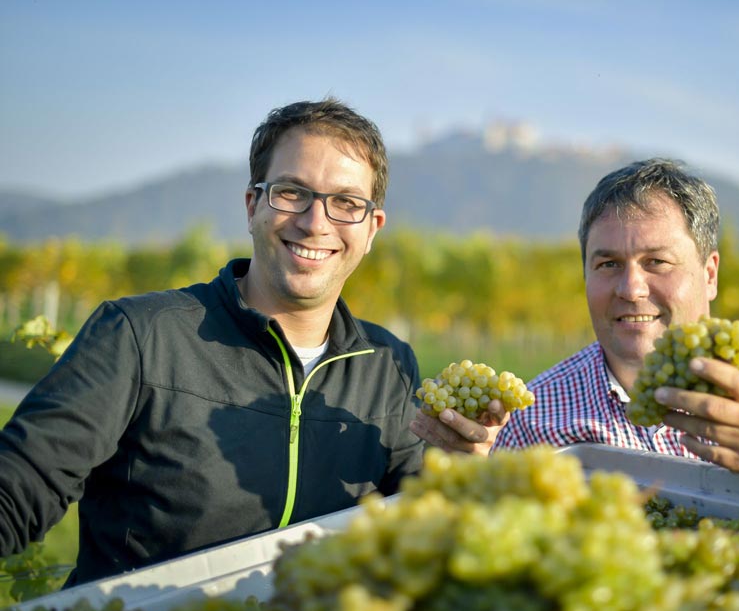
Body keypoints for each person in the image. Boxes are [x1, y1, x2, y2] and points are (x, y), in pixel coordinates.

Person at [0, 99, 425, 585]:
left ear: (372, 229)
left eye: (347, 203)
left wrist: (460, 469)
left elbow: (418, 532)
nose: (315, 222)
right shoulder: (140, 336)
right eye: (291, 192)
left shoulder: (390, 366)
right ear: (252, 206)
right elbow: (15, 492)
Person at [412, 158, 739, 491]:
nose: (631, 288)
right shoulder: (535, 420)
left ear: (710, 273)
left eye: (657, 261)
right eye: (607, 264)